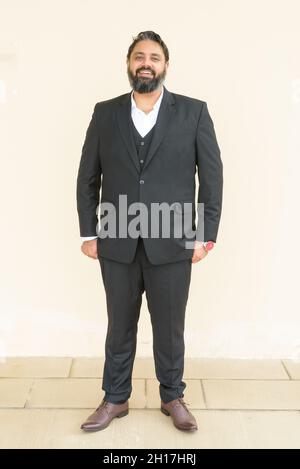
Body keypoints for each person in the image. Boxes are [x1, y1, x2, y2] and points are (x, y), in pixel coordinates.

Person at [77, 31, 223, 433]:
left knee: (170, 326)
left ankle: (172, 395)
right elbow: (88, 176)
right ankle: (115, 398)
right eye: (139, 56)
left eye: (154, 57)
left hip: (174, 243)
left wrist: (204, 237)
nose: (146, 63)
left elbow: (211, 179)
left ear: (165, 65)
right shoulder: (105, 113)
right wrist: (89, 233)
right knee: (118, 324)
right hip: (117, 241)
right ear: (128, 64)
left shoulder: (193, 112)